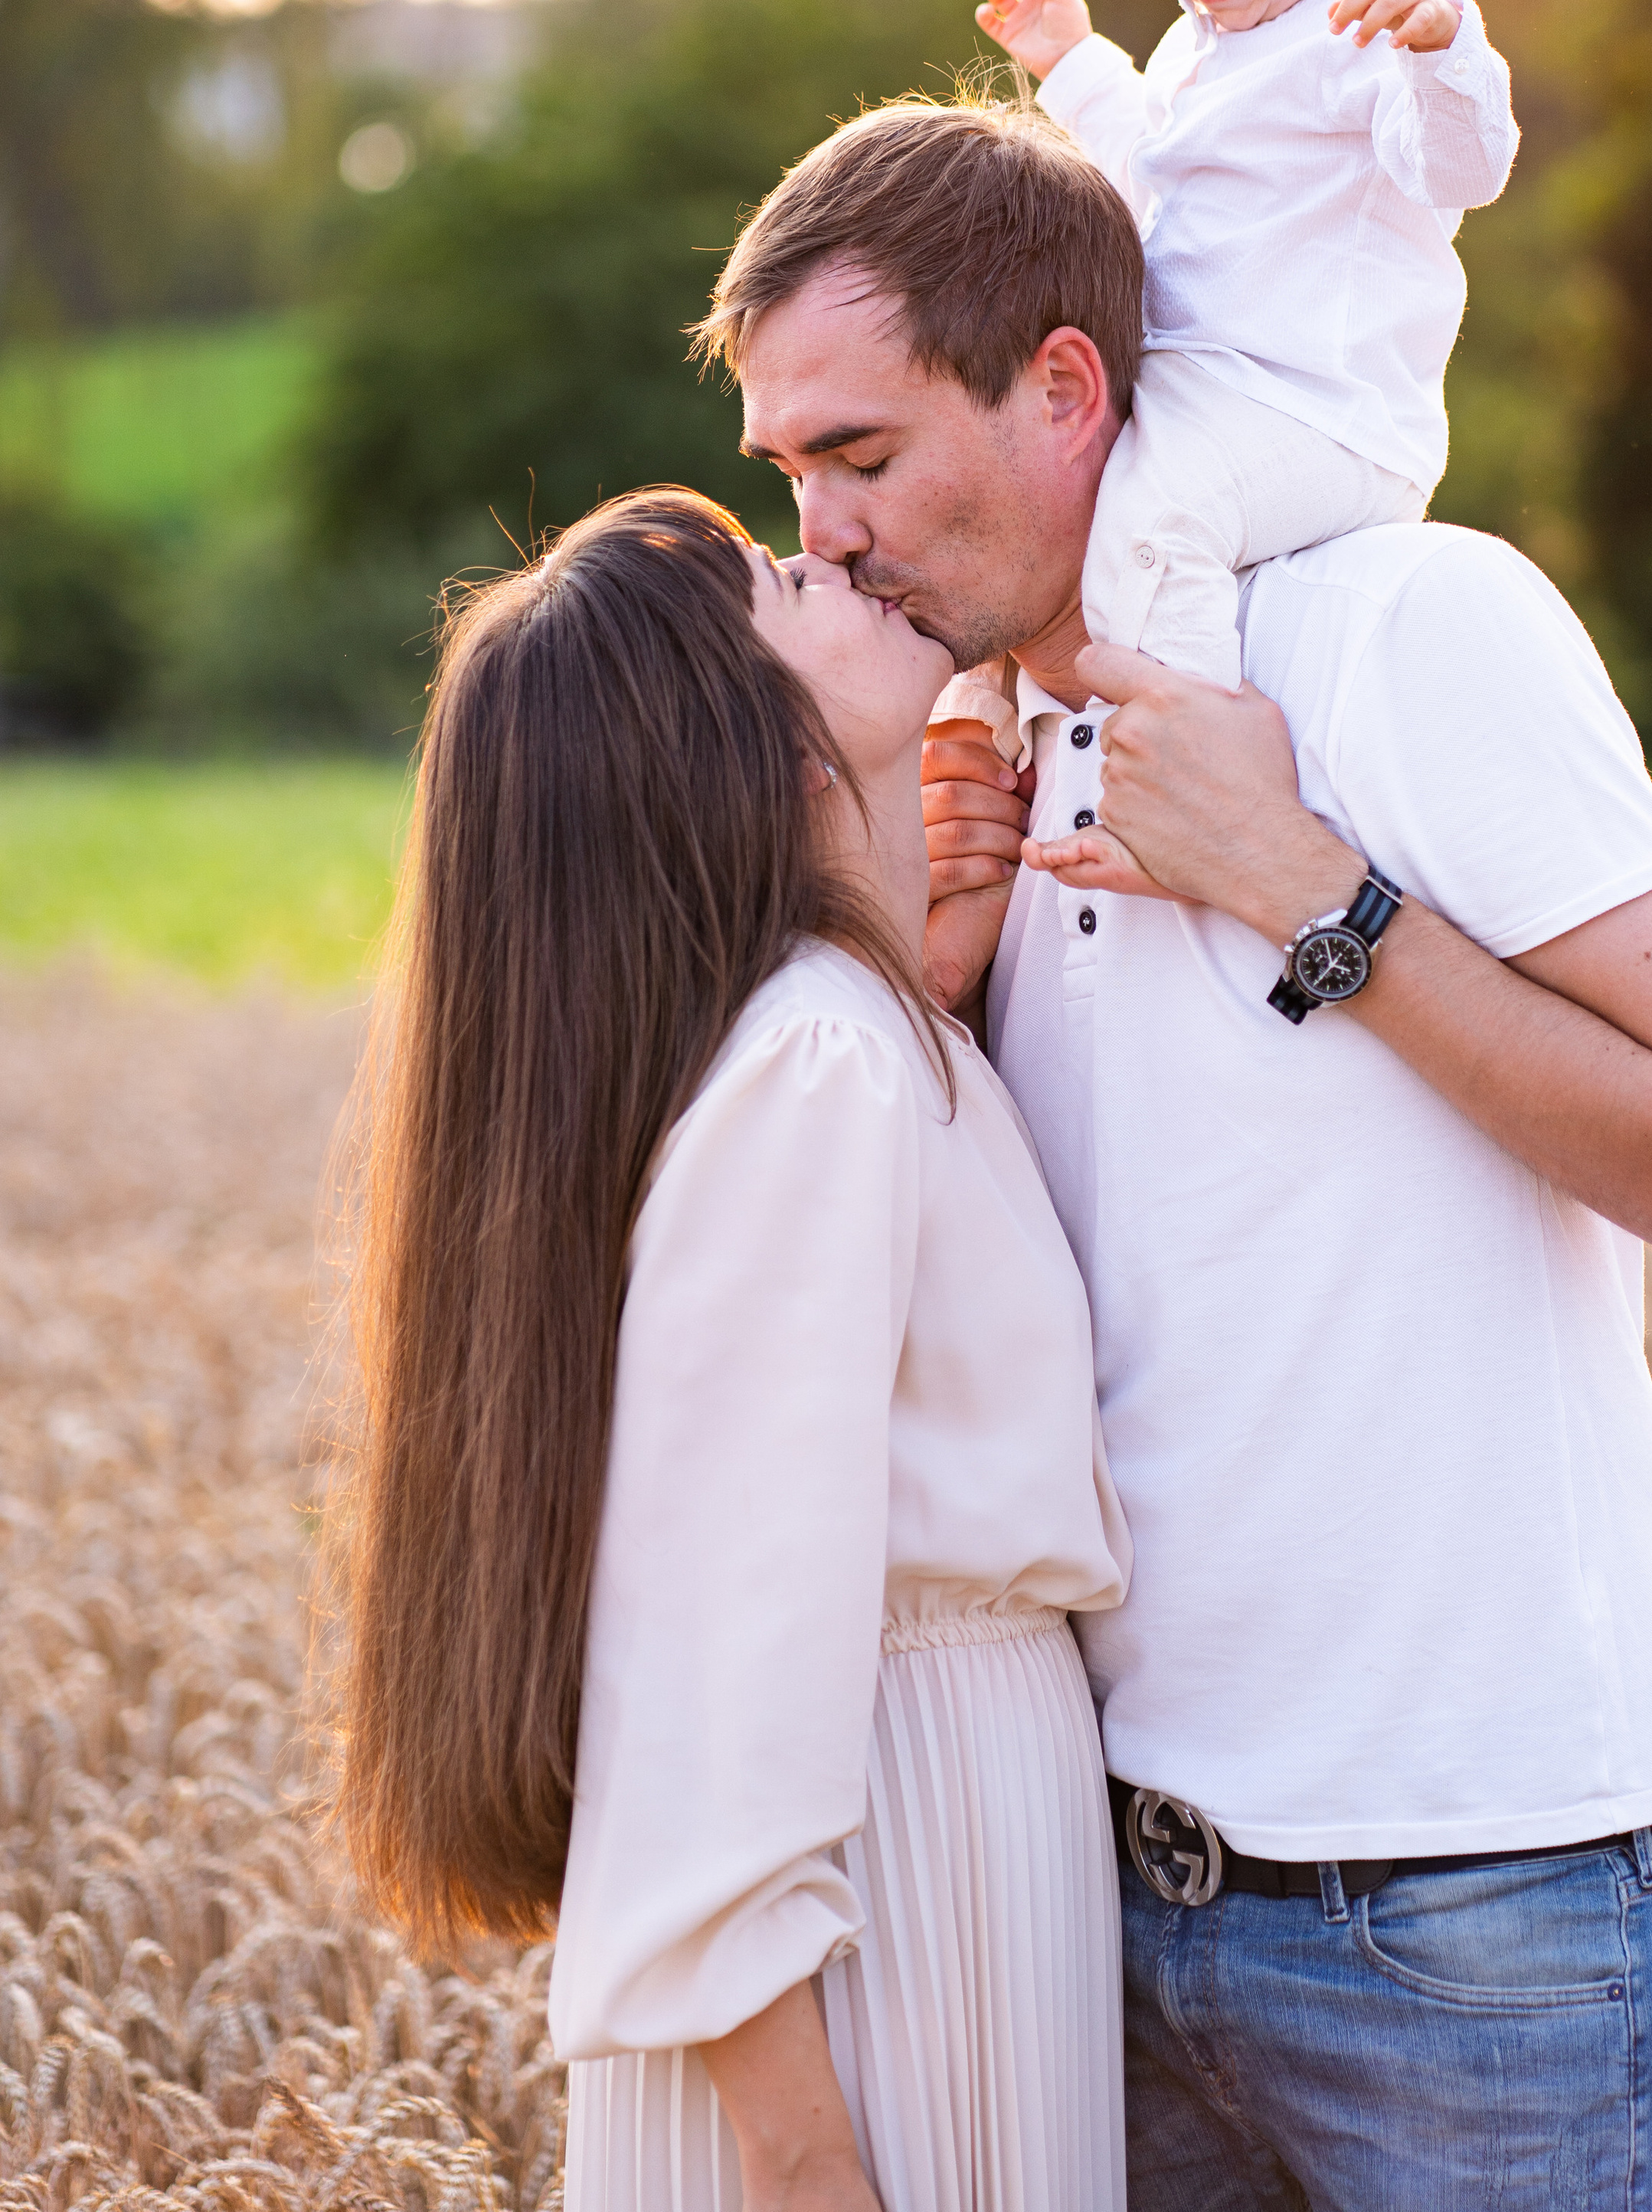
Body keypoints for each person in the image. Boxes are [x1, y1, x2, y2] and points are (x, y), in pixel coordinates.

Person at [698, 97, 1652, 2211]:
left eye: (863, 454)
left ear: (1066, 390)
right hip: (1100, 1907)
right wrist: (931, 982)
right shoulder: (986, 756)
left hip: (1468, 1920)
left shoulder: (1412, 625)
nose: (821, 534)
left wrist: (1311, 892)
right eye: (790, 474)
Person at [332, 487, 1131, 2212]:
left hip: (914, 1848)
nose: (832, 556)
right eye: (784, 582)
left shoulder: (852, 1036)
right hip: (885, 1892)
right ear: (744, 738)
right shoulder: (817, 1068)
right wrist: (803, 2164)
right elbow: (702, 1660)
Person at [934, 0, 1518, 767]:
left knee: (1157, 519)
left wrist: (1441, 44)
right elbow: (1147, 172)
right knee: (1024, 488)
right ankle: (997, 749)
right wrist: (1075, 58)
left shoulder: (1374, 29)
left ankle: (1190, 776)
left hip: (1321, 408)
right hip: (1208, 393)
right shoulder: (1205, 45)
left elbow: (1462, 169)